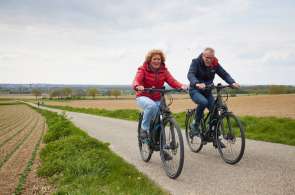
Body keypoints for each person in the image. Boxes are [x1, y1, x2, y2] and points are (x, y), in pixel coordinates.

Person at [187, 48, 240, 146]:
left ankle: (214, 135)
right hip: (195, 90)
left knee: (217, 110)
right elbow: (190, 74)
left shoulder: (214, 64)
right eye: (207, 57)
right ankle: (195, 125)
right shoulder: (196, 62)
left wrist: (232, 82)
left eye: (211, 58)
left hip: (207, 91)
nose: (209, 60)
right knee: (203, 102)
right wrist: (197, 83)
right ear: (203, 56)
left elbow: (224, 74)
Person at [133, 49, 187, 139]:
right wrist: (137, 86)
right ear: (149, 60)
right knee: (151, 106)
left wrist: (181, 86)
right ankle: (144, 128)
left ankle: (158, 139)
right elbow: (136, 80)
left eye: (159, 59)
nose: (157, 61)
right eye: (154, 59)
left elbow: (172, 81)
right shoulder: (143, 69)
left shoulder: (164, 71)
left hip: (158, 98)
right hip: (143, 96)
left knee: (163, 114)